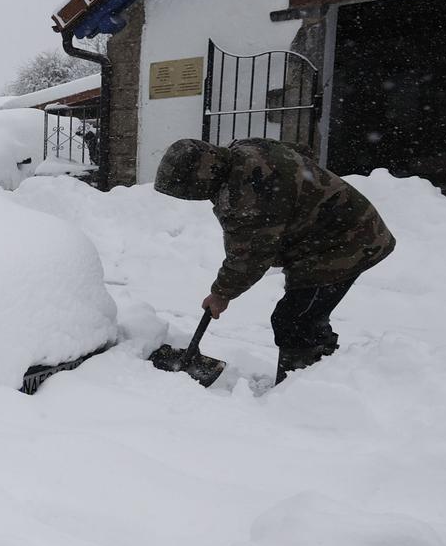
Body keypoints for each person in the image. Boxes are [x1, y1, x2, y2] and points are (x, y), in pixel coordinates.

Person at [154, 137, 394, 382]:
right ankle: (321, 370)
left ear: (202, 177)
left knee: (295, 321)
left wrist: (221, 294)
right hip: (333, 232)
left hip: (345, 243)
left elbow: (250, 256)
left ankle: (305, 388)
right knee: (304, 317)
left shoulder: (247, 195)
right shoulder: (245, 149)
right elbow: (300, 149)